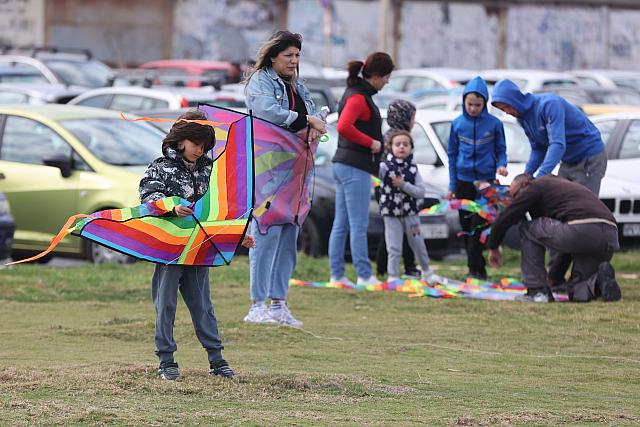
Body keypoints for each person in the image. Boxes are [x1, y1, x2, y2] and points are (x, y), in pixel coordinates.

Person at [139, 110, 255, 381]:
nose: (200, 150)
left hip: (200, 249)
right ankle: (166, 361)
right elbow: (148, 196)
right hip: (169, 249)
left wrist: (237, 237)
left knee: (203, 305)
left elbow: (221, 210)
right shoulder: (159, 167)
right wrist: (171, 206)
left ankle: (217, 360)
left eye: (204, 145)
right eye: (195, 143)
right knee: (165, 304)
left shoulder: (210, 169)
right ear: (180, 140)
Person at [491, 79, 608, 288]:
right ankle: (556, 276)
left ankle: (589, 276)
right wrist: (526, 175)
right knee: (557, 217)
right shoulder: (523, 118)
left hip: (590, 157)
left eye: (507, 106)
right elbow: (538, 148)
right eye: (502, 109)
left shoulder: (548, 104)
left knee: (580, 217)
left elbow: (557, 144)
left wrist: (540, 178)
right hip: (569, 161)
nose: (507, 112)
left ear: (515, 99)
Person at [244, 31, 326, 327]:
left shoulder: (298, 84)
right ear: (274, 56)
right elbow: (266, 112)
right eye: (289, 55)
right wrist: (305, 121)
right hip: (269, 170)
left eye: (297, 56)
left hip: (297, 173)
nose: (294, 61)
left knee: (289, 236)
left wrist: (318, 124)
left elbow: (315, 113)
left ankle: (279, 303)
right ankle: (258, 305)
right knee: (265, 234)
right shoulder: (261, 82)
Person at [487, 173, 621, 303]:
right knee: (576, 291)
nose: (516, 201)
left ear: (525, 184)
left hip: (582, 229)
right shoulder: (559, 190)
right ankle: (599, 282)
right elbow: (567, 246)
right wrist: (554, 277)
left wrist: (493, 247)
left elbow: (507, 217)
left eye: (516, 196)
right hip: (609, 235)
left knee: (528, 229)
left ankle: (537, 291)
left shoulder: (534, 186)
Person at [328, 51, 395, 286]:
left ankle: (337, 275)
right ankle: (364, 275)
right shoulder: (359, 97)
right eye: (387, 76)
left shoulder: (357, 93)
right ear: (376, 75)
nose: (387, 81)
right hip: (354, 166)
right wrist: (373, 143)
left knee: (342, 223)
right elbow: (344, 126)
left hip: (344, 164)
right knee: (358, 224)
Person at [448, 76, 508, 280]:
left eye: (478, 105)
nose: (473, 108)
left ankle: (477, 270)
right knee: (465, 229)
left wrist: (502, 165)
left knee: (478, 225)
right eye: (470, 104)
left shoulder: (494, 124)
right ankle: (475, 268)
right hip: (463, 182)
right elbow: (452, 156)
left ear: (485, 104)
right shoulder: (456, 124)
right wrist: (452, 185)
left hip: (485, 183)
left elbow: (501, 149)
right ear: (464, 102)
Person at [379, 130, 440, 282]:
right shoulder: (384, 167)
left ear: (411, 148)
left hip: (411, 214)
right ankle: (392, 275)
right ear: (390, 147)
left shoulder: (413, 168)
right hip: (390, 213)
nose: (401, 147)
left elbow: (420, 192)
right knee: (393, 246)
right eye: (397, 144)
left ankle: (427, 271)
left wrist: (403, 185)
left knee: (418, 243)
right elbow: (373, 173)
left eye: (405, 144)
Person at [375, 99, 420, 278]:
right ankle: (400, 267)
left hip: (399, 190)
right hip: (393, 192)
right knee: (397, 229)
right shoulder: (397, 139)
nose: (413, 122)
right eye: (412, 118)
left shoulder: (391, 136)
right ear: (404, 118)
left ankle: (388, 267)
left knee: (396, 230)